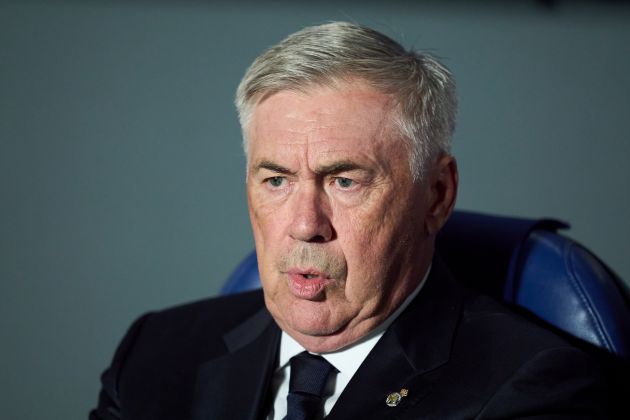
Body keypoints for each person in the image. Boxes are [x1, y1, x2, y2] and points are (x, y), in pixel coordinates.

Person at [91, 22, 608, 419]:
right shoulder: (155, 353)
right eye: (276, 180)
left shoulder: (539, 387)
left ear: (436, 194)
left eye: (344, 181)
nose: (304, 224)